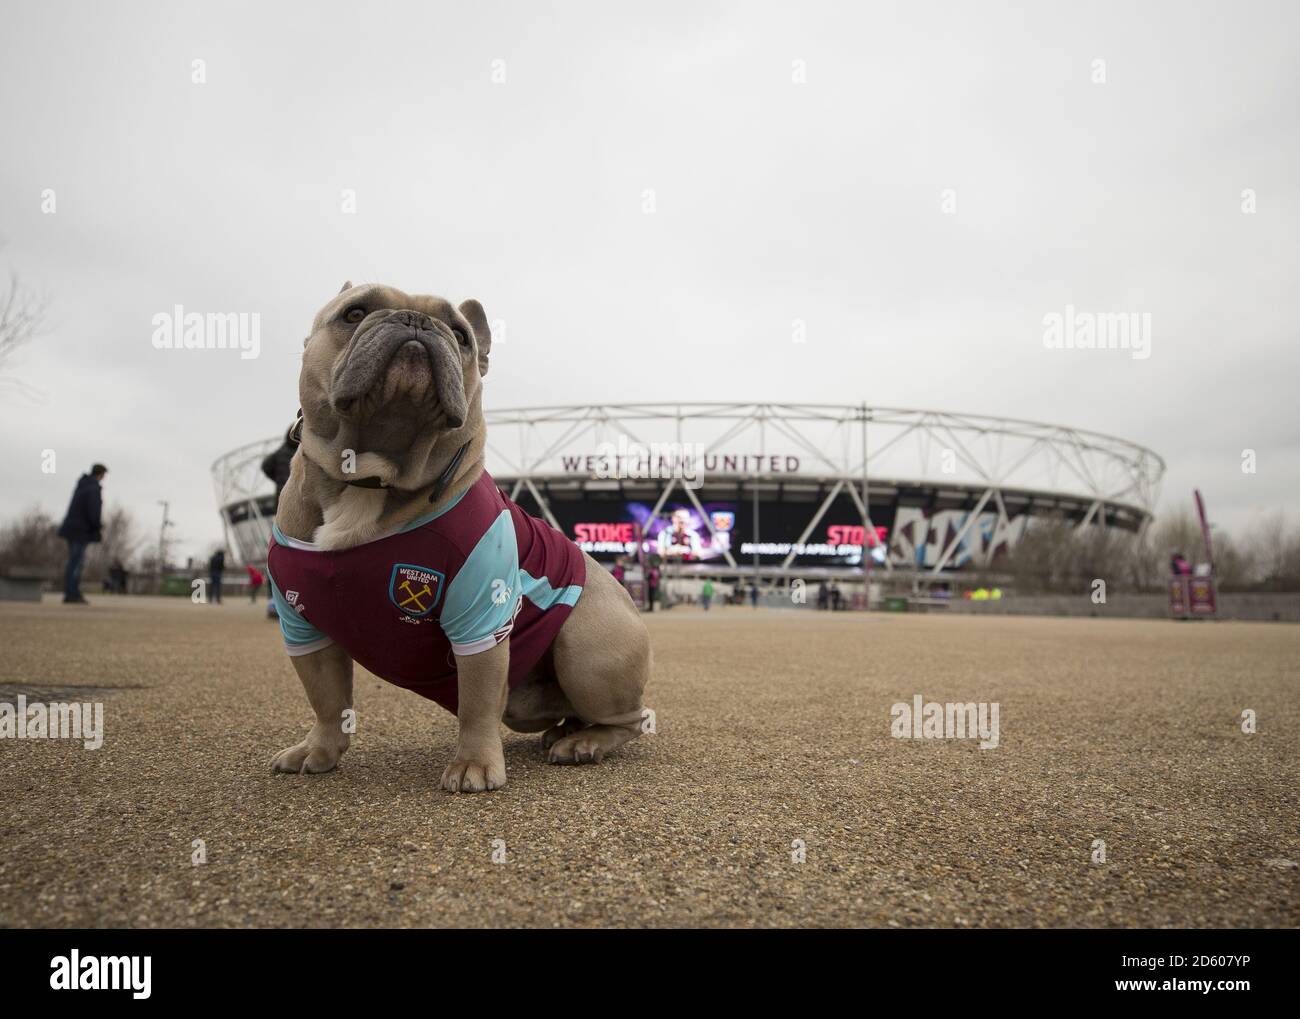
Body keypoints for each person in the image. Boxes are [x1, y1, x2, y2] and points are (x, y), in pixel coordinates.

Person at [57, 464, 107, 605]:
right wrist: (97, 526)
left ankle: (70, 592)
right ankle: (72, 593)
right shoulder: (93, 488)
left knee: (73, 561)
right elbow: (93, 510)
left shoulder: (82, 485)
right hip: (81, 530)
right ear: (101, 474)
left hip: (72, 527)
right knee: (76, 562)